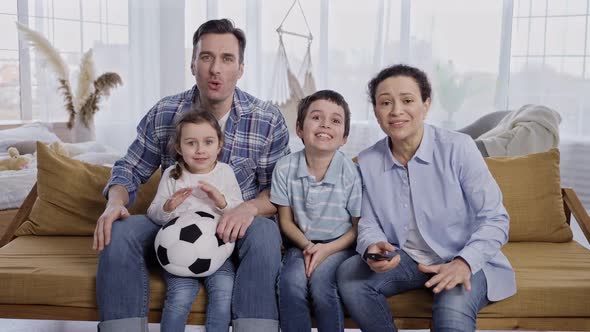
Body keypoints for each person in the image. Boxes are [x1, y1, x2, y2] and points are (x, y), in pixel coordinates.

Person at [94, 19, 290, 332]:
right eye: (206, 57)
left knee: (266, 233)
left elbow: (279, 191)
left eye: (227, 59)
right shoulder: (164, 112)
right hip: (171, 223)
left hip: (236, 225)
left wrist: (247, 208)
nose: (216, 69)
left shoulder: (266, 119)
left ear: (240, 68)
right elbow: (129, 167)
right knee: (119, 231)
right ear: (193, 63)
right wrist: (114, 201)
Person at [336, 64, 516, 332]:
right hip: (407, 256)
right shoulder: (367, 160)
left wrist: (464, 263)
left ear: (426, 104)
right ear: (376, 112)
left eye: (407, 100)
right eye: (385, 103)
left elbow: (495, 219)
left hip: (463, 256)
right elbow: (368, 221)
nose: (396, 110)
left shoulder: (459, 148)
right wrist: (373, 245)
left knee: (451, 313)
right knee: (351, 277)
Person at [270, 90, 362, 332]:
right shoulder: (285, 167)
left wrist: (326, 249)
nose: (325, 125)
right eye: (316, 117)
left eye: (335, 120)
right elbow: (286, 221)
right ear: (299, 129)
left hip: (339, 246)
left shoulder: (350, 172)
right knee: (290, 283)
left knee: (322, 284)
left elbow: (356, 228)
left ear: (344, 137)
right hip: (301, 244)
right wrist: (308, 247)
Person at [146, 110, 243, 332]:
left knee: (224, 291)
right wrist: (168, 206)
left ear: (219, 145)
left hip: (219, 252)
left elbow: (239, 212)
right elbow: (153, 212)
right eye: (191, 143)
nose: (200, 150)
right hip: (177, 254)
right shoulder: (173, 174)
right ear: (179, 147)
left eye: (208, 142)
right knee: (180, 296)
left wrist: (220, 202)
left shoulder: (225, 173)